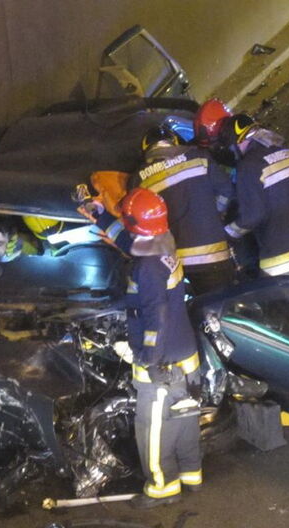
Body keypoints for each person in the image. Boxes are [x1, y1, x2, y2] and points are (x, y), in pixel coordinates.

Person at [119, 188, 203, 509]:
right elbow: (129, 240)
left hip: (162, 362)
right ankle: (190, 475)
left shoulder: (148, 268)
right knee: (184, 419)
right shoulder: (165, 243)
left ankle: (161, 485)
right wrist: (95, 212)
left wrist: (147, 357)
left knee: (152, 427)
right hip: (185, 354)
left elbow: (157, 316)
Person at [132, 124, 236, 295]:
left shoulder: (139, 179)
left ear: (146, 149)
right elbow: (226, 191)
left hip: (177, 263)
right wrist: (214, 213)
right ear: (174, 141)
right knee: (224, 308)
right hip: (214, 256)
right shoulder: (199, 157)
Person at [219, 113, 289, 278]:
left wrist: (227, 233)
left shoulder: (249, 166)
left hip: (284, 261)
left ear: (239, 141)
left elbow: (252, 216)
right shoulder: (287, 152)